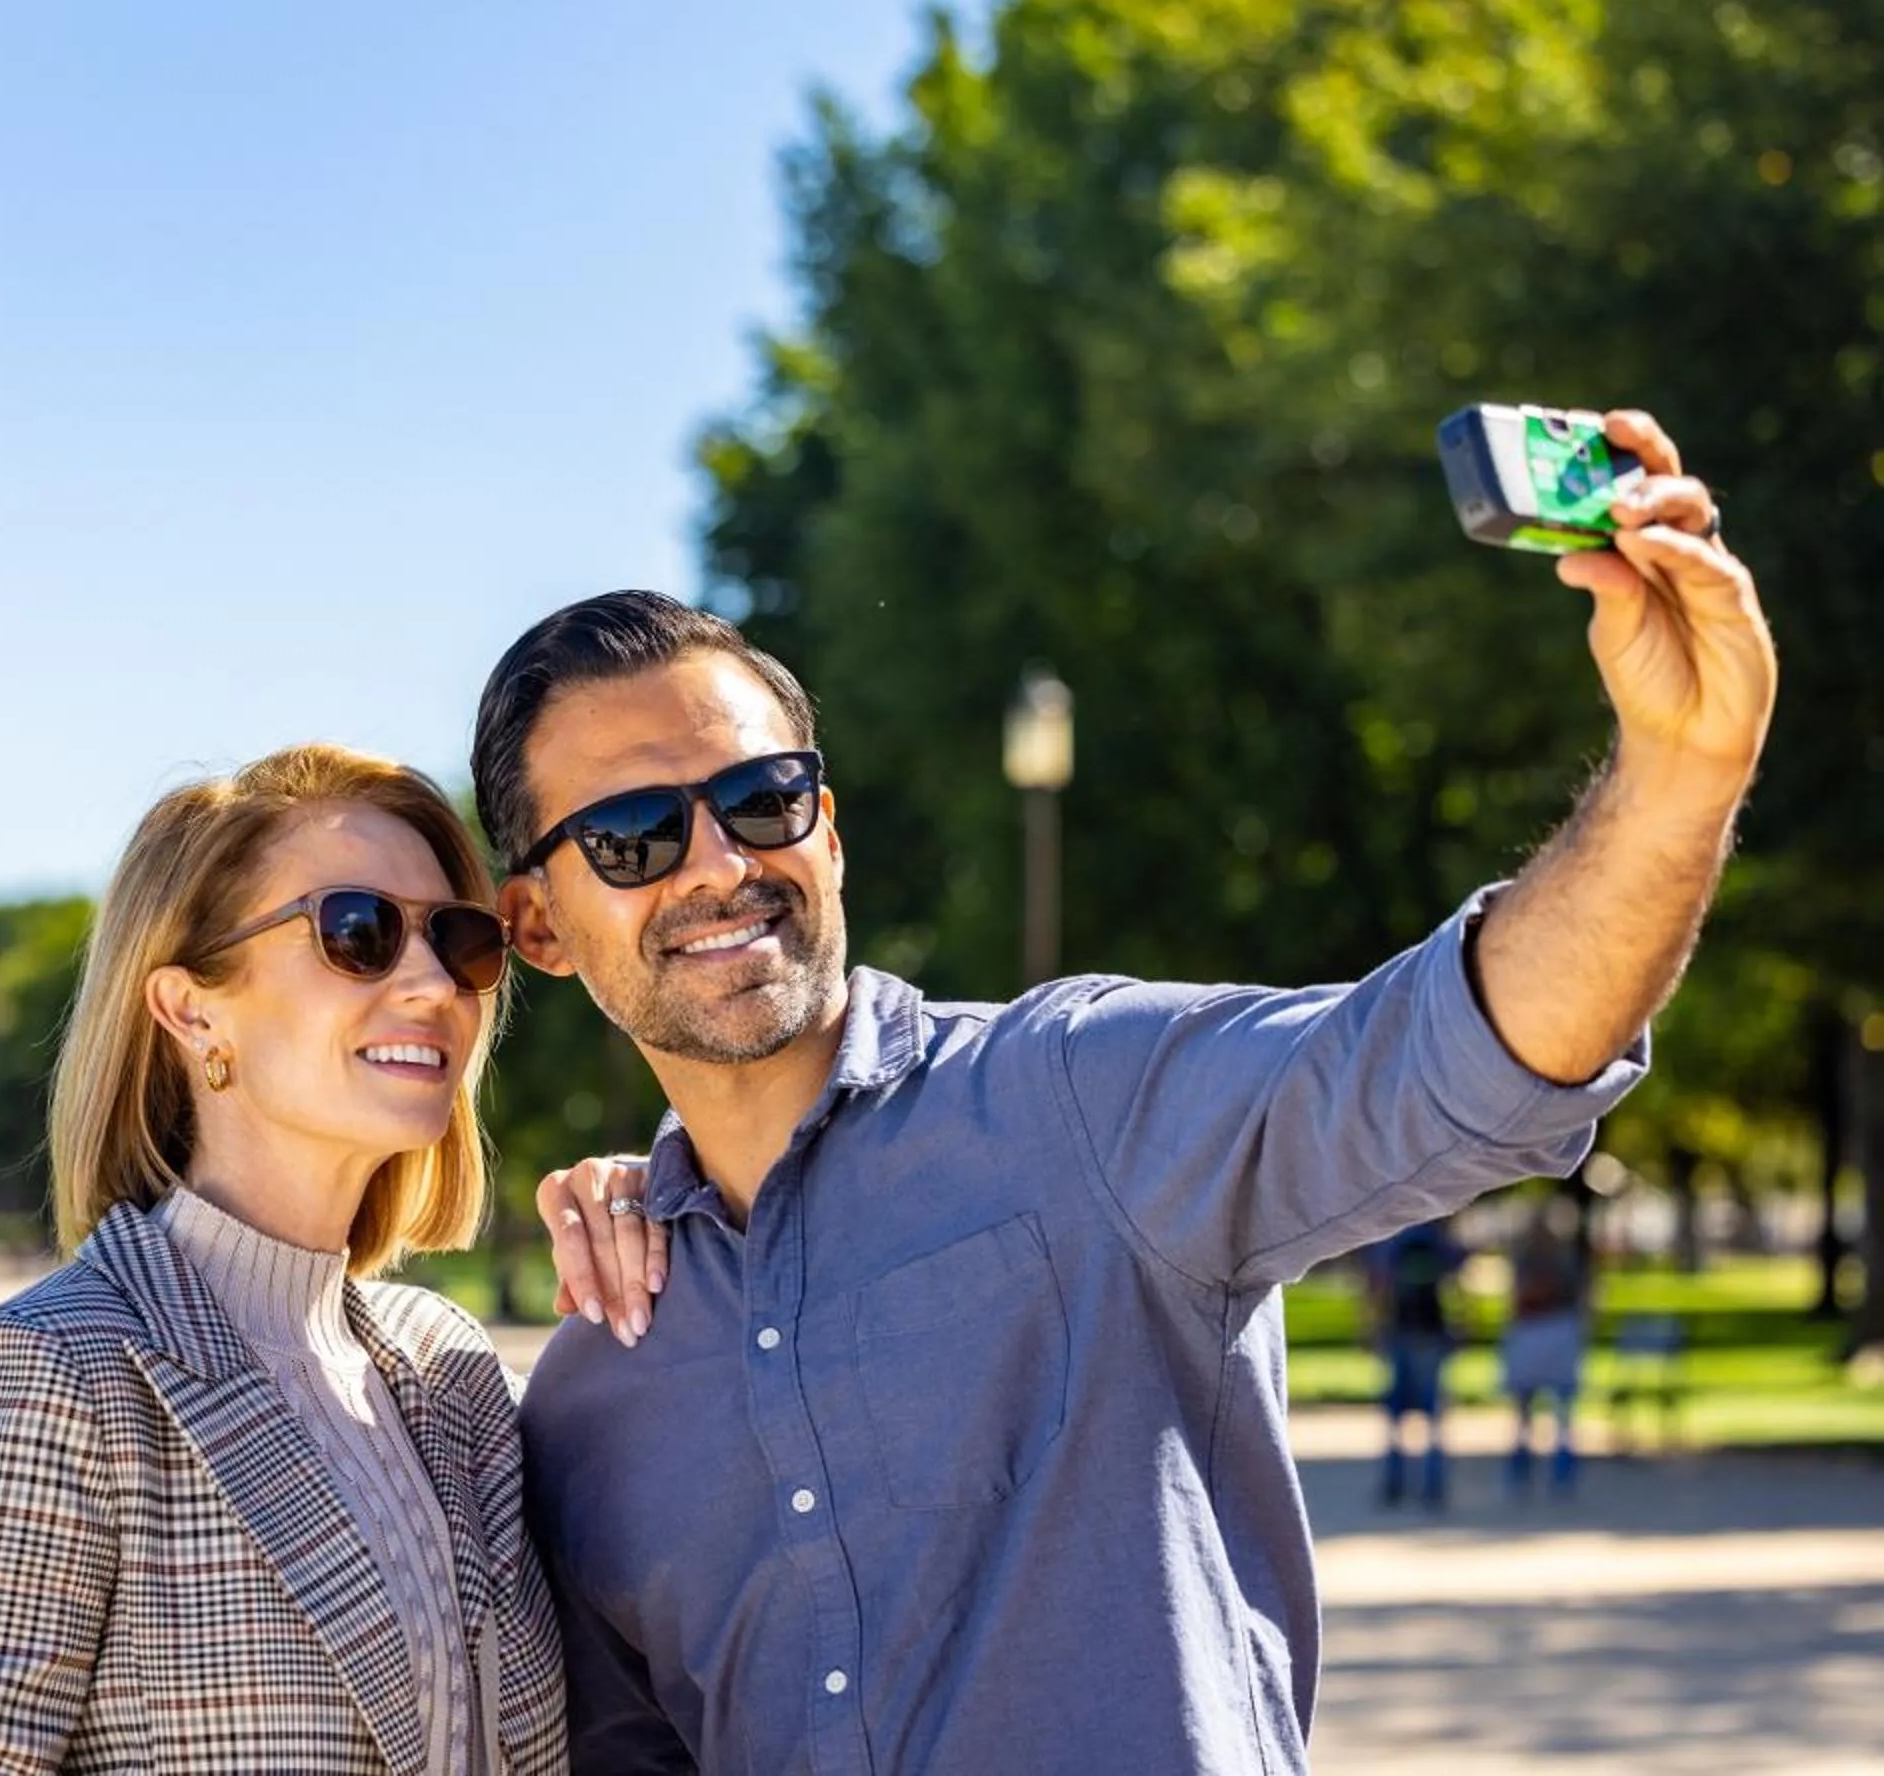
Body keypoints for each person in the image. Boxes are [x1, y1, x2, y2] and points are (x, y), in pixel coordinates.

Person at [489, 411, 1773, 1772]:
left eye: (760, 796)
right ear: (537, 928)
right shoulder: (586, 1396)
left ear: (831, 828)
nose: (713, 863)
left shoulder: (1087, 1098)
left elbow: (1461, 1052)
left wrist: (1680, 773)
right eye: (632, 835)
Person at [0, 744, 636, 1775]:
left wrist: (671, 1201)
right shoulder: (54, 1375)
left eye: (457, 939)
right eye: (356, 932)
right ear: (190, 1008)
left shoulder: (452, 1376)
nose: (432, 982)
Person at [1366, 1216, 1464, 1509]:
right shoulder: (1436, 1239)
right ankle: (1432, 1485)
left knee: (1396, 1414)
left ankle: (1395, 1482)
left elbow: (1378, 1285)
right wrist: (1460, 1325)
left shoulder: (1392, 1236)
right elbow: (1455, 1286)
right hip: (1432, 1332)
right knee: (1433, 1414)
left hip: (1402, 1330)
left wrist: (1372, 1327)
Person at [1499, 1198, 1596, 1493]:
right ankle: (1540, 1468)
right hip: (1545, 1331)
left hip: (1545, 1330)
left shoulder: (1552, 1260)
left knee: (1548, 1409)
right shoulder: (1549, 1259)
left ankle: (1549, 1469)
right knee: (1536, 1409)